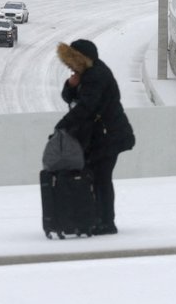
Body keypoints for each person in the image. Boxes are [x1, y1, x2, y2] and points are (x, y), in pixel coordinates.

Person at [55, 39, 135, 235]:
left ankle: (106, 222)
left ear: (82, 59)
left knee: (101, 177)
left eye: (73, 61)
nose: (71, 67)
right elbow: (70, 98)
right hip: (101, 135)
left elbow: (86, 107)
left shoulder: (96, 75)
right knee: (96, 177)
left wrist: (62, 126)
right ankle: (97, 219)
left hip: (110, 135)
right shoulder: (87, 74)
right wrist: (71, 85)